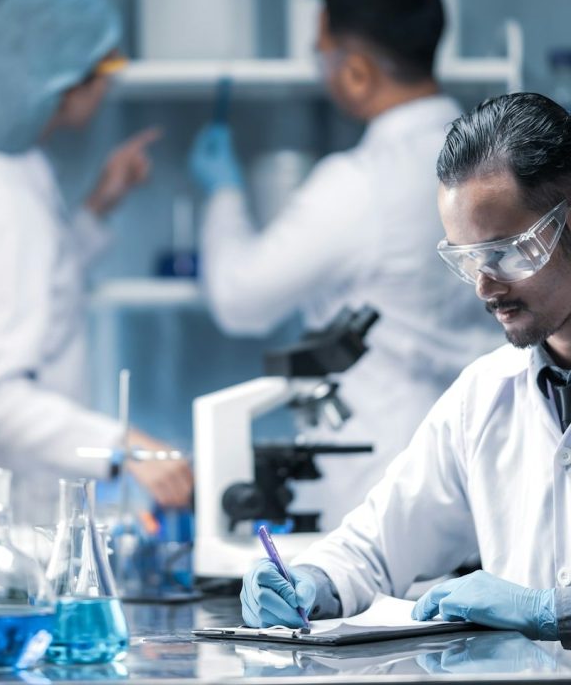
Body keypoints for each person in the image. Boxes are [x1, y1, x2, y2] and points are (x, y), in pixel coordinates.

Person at [240, 92, 571, 647]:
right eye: (469, 260)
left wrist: (552, 608)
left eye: (509, 252)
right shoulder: (486, 394)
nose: (486, 286)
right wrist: (310, 581)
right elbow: (376, 545)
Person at [189, 0, 498, 528]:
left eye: (322, 52)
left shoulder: (361, 183)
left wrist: (224, 195)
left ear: (356, 71)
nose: (320, 69)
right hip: (480, 468)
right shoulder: (494, 163)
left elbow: (240, 300)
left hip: (377, 479)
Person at [0, 0, 193, 522]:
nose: (108, 87)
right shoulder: (2, 198)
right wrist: (130, 448)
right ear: (63, 83)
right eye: (103, 71)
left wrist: (96, 208)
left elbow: (35, 290)